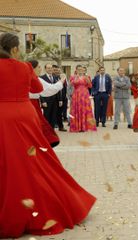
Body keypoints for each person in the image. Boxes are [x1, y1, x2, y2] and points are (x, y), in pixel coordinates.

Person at [0, 32, 96, 238]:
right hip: (25, 115)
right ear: (15, 49)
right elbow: (36, 87)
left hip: (2, 115)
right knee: (36, 160)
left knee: (6, 161)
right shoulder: (25, 67)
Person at [29, 60, 65, 147]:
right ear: (32, 68)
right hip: (32, 104)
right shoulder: (35, 79)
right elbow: (50, 89)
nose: (40, 69)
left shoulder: (29, 77)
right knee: (38, 125)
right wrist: (62, 80)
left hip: (30, 104)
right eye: (39, 67)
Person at [69, 65, 97, 132]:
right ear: (76, 70)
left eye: (81, 69)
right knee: (76, 109)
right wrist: (76, 77)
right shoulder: (73, 77)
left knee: (85, 109)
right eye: (79, 69)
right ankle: (77, 126)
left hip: (85, 94)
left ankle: (86, 126)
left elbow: (90, 86)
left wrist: (87, 79)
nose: (80, 70)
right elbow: (71, 84)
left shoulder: (87, 77)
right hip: (77, 95)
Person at [40, 63, 62, 129]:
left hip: (55, 100)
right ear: (45, 69)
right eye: (48, 68)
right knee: (46, 116)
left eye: (51, 68)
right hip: (46, 101)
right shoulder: (42, 78)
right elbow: (40, 90)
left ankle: (52, 130)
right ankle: (46, 130)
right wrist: (42, 101)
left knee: (53, 116)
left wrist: (60, 100)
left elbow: (58, 89)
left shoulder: (56, 77)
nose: (50, 69)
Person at [52, 65, 67, 131]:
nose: (56, 71)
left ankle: (61, 126)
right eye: (55, 70)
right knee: (53, 113)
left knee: (60, 113)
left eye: (57, 70)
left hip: (62, 98)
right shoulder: (52, 78)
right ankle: (54, 125)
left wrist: (63, 98)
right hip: (53, 99)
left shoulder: (60, 78)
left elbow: (63, 88)